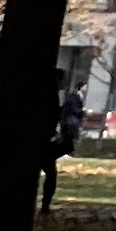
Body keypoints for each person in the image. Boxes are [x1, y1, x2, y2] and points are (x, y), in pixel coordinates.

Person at [41, 73, 86, 215]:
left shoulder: (53, 97)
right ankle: (45, 206)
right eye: (60, 81)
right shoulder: (51, 97)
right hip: (44, 142)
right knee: (51, 173)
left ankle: (45, 206)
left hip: (48, 140)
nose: (63, 85)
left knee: (51, 173)